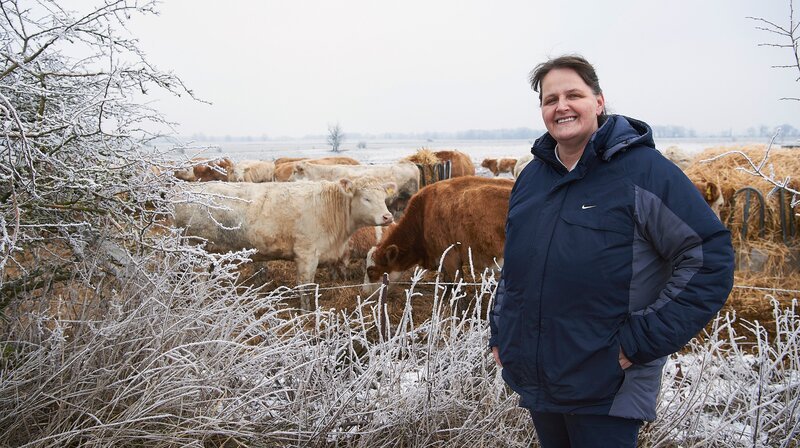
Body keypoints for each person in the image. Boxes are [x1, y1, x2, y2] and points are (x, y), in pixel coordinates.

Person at [489, 55, 735, 447]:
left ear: (599, 102)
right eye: (550, 99)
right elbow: (515, 266)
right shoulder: (533, 178)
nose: (561, 106)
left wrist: (639, 341)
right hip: (539, 378)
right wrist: (502, 331)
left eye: (574, 94)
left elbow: (709, 258)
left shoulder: (643, 171)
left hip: (606, 384)